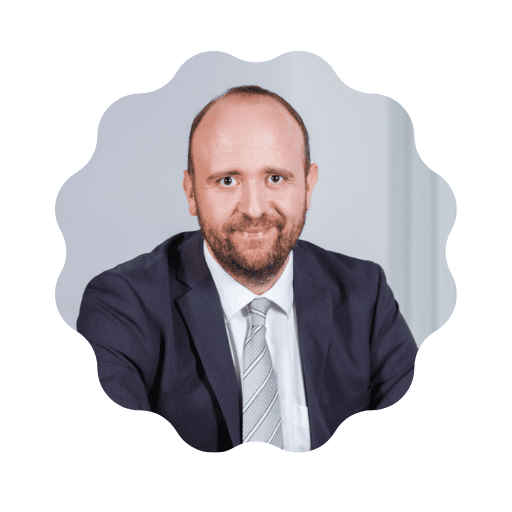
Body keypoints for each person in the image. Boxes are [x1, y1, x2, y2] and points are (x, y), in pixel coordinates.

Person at [77, 85, 418, 453]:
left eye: (275, 178)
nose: (254, 209)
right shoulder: (123, 306)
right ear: (191, 192)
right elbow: (119, 466)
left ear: (308, 185)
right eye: (228, 180)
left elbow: (415, 445)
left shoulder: (365, 294)